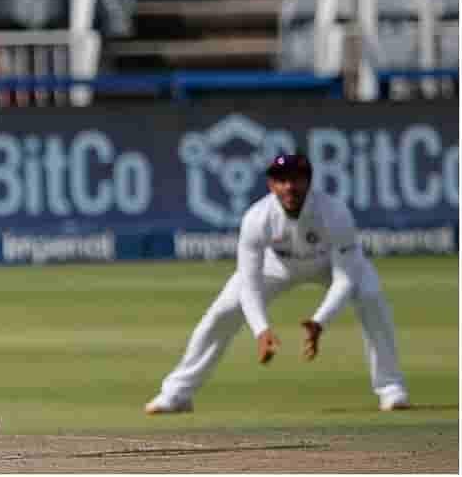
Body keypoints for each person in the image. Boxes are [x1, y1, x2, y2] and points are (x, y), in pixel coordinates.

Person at [145, 154, 410, 414]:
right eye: (281, 180)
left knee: (370, 294)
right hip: (277, 266)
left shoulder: (334, 212)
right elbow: (249, 283)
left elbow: (345, 279)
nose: (289, 187)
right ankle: (176, 394)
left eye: (296, 179)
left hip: (329, 263)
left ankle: (391, 388)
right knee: (222, 312)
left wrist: (320, 322)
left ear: (309, 182)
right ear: (271, 185)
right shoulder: (257, 217)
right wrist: (261, 330)